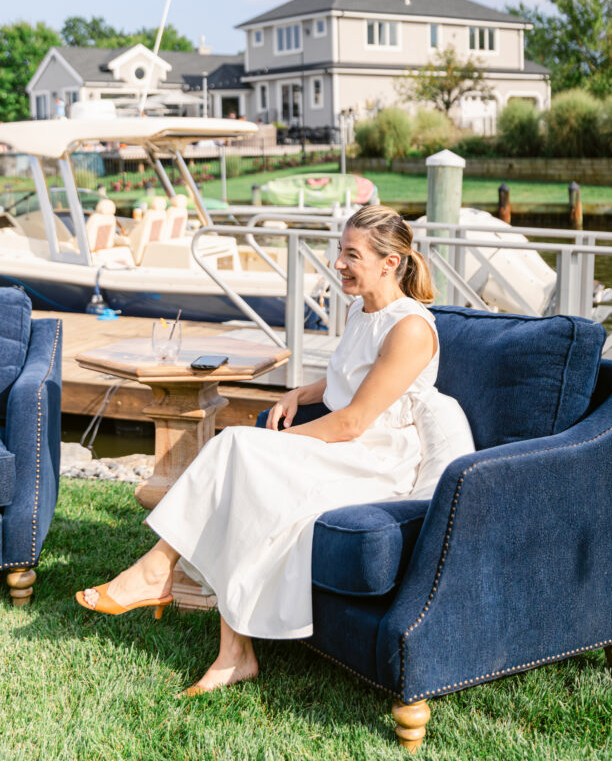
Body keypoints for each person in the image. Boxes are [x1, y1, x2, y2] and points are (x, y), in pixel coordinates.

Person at [76, 206, 474, 696]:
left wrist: (277, 442)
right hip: (346, 445)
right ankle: (229, 648)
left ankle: (161, 571)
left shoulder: (410, 328)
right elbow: (348, 380)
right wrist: (297, 394)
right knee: (241, 459)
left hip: (376, 460)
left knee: (240, 447)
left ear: (390, 263)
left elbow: (353, 420)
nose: (339, 263)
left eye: (352, 255)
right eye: (340, 251)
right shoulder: (361, 310)